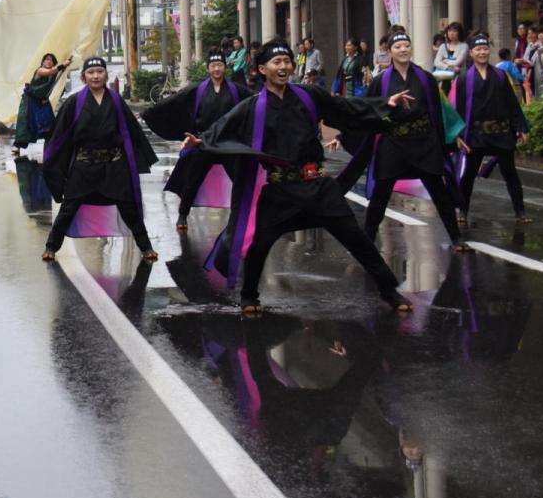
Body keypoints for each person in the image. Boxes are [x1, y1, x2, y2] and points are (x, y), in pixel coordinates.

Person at [183, 40, 415, 315]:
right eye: (276, 63)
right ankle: (249, 295)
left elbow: (347, 108)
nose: (283, 67)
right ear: (262, 69)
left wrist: (384, 105)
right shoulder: (251, 107)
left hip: (317, 185)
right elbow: (223, 128)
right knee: (259, 244)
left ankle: (389, 290)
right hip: (280, 188)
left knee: (358, 239)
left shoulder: (309, 95)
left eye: (287, 62)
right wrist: (200, 141)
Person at [338, 31, 470, 251]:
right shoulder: (382, 80)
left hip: (424, 142)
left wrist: (453, 135)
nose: (403, 50)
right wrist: (343, 134)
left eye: (406, 45)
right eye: (398, 46)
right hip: (393, 142)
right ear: (389, 51)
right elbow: (367, 108)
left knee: (439, 191)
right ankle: (367, 241)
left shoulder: (426, 78)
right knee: (381, 194)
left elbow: (441, 110)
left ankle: (456, 238)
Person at [42, 56, 159, 261]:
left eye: (99, 72)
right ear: (83, 76)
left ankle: (145, 247)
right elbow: (59, 134)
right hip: (84, 166)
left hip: (114, 165)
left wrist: (143, 156)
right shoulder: (74, 102)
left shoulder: (115, 100)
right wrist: (51, 158)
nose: (95, 76)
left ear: (106, 74)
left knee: (129, 207)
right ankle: (51, 247)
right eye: (91, 72)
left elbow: (131, 130)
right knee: (68, 208)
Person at [143, 49, 251, 230]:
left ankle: (244, 213)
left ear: (225, 67)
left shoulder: (235, 89)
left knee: (241, 179)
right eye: (213, 65)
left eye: (220, 65)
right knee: (192, 180)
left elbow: (255, 100)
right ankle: (183, 215)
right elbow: (174, 101)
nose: (217, 69)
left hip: (227, 143)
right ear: (208, 68)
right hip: (203, 143)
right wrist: (149, 112)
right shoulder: (198, 89)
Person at [451, 33, 530, 224]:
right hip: (476, 134)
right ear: (471, 52)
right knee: (468, 175)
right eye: (478, 49)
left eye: (485, 48)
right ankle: (462, 210)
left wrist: (520, 126)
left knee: (510, 173)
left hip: (501, 132)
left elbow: (512, 103)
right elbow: (458, 109)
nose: (482, 52)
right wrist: (458, 135)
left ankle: (520, 211)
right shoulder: (463, 78)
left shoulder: (501, 75)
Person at [13, 52, 71, 154]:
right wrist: (62, 65)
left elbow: (51, 85)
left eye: (51, 60)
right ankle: (17, 146)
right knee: (25, 123)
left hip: (43, 100)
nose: (49, 61)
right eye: (47, 59)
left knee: (49, 122)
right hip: (29, 100)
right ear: (43, 61)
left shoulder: (54, 72)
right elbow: (50, 72)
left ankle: (51, 145)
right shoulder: (40, 70)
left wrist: (65, 65)